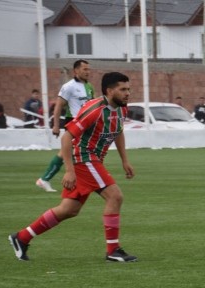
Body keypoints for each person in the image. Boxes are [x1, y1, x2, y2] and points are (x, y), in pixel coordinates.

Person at [9, 72, 137, 263]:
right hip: (84, 159)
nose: (128, 93)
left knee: (69, 209)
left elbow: (118, 131)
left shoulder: (121, 109)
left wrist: (124, 160)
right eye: (123, 89)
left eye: (128, 89)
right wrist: (69, 170)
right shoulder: (94, 110)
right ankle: (113, 250)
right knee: (115, 196)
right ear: (109, 91)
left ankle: (22, 237)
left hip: (93, 160)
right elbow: (66, 136)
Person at [36, 59, 95, 193]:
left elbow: (91, 107)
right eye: (84, 69)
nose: (87, 72)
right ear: (76, 71)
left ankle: (46, 179)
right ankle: (45, 179)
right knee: (68, 152)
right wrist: (56, 126)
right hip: (73, 123)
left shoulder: (90, 86)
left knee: (69, 152)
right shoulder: (68, 86)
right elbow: (58, 107)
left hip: (85, 125)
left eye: (88, 69)